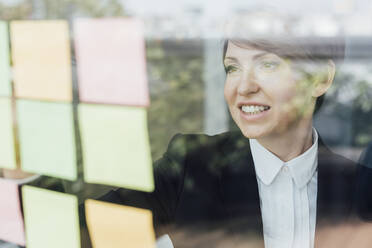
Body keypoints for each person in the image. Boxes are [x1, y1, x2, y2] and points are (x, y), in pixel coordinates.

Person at [3, 20, 371, 248]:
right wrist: (20, 159)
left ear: (321, 78)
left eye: (268, 65)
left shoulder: (361, 185)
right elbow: (67, 236)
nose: (243, 87)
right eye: (232, 68)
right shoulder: (192, 166)